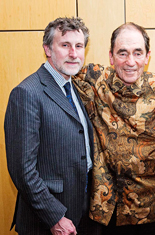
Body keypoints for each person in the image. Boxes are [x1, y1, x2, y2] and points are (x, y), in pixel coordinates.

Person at [72, 22, 155, 234]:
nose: (130, 62)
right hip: (106, 208)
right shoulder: (95, 79)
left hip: (150, 209)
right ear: (111, 56)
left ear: (147, 56)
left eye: (138, 53)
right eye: (122, 53)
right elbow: (63, 66)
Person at [4, 17, 100, 234]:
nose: (73, 54)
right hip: (47, 219)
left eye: (79, 46)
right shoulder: (27, 93)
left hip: (79, 209)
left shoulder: (72, 87)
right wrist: (54, 216)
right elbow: (22, 170)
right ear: (47, 49)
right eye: (65, 45)